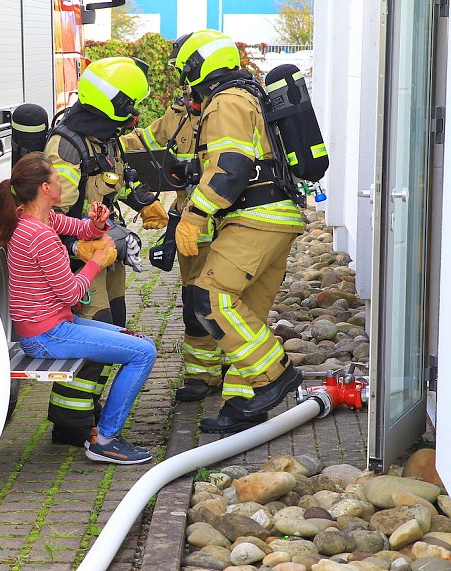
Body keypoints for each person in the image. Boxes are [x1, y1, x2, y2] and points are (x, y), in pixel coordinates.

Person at [169, 30, 306, 433]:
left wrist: (194, 215)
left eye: (185, 69)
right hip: (277, 217)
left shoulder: (226, 101)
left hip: (254, 218)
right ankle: (243, 406)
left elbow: (230, 167)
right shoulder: (249, 94)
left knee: (210, 298)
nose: (185, 79)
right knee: (248, 313)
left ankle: (277, 377)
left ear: (198, 66)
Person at [0, 151, 157, 464]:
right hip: (47, 335)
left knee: (138, 341)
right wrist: (97, 261)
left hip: (51, 327)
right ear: (45, 189)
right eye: (55, 178)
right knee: (143, 353)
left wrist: (97, 223)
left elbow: (82, 231)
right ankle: (106, 440)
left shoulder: (40, 219)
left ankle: (101, 431)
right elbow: (71, 293)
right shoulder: (40, 236)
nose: (60, 182)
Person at [43, 56, 168, 446]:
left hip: (107, 250)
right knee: (98, 337)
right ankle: (70, 425)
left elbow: (117, 180)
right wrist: (82, 246)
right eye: (129, 105)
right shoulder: (66, 144)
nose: (133, 114)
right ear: (109, 102)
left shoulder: (103, 136)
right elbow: (50, 215)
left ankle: (86, 412)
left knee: (116, 320)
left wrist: (146, 201)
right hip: (78, 261)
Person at [120, 90, 226, 402]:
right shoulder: (180, 115)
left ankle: (237, 369)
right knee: (195, 303)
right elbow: (145, 142)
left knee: (228, 303)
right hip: (192, 231)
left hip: (232, 226)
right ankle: (201, 375)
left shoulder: (232, 107)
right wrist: (100, 138)